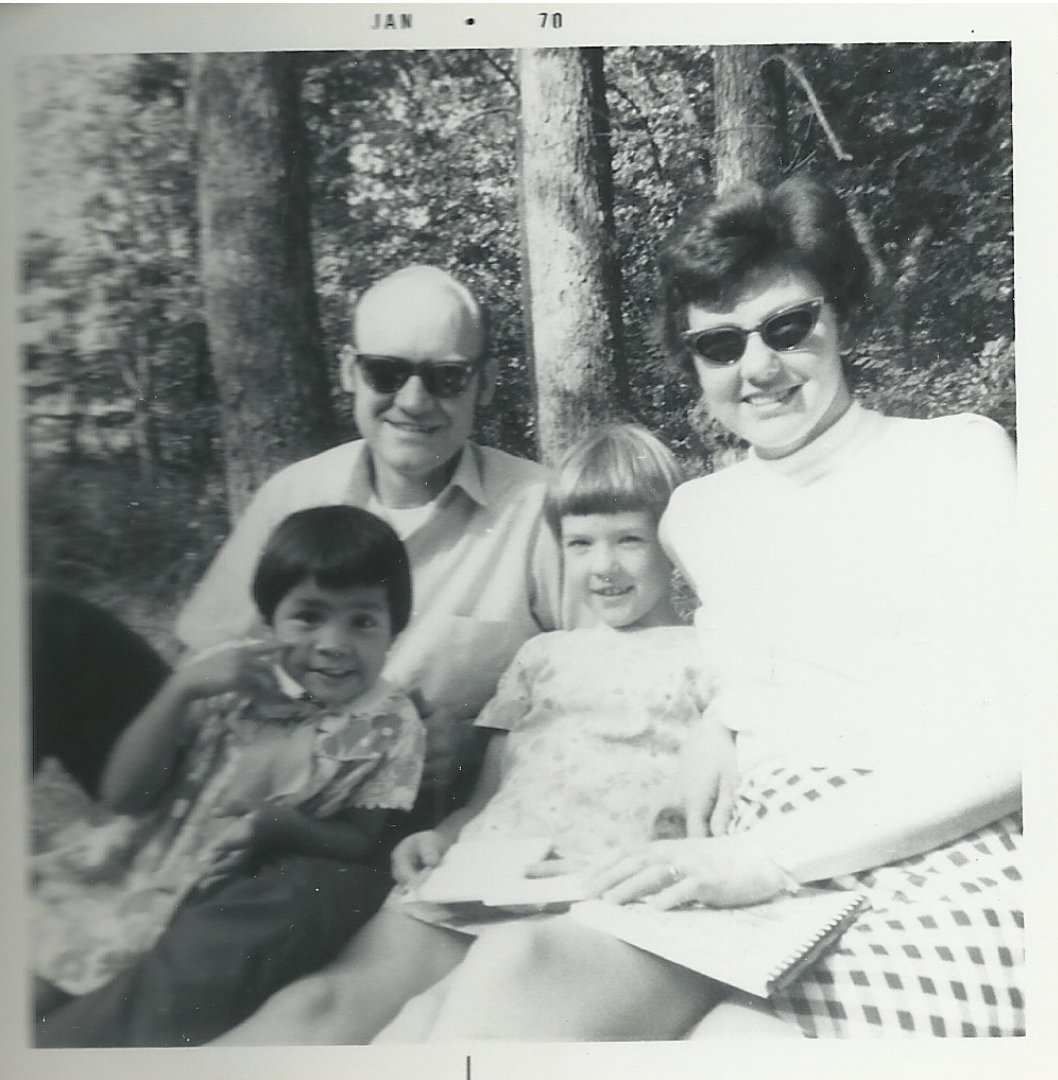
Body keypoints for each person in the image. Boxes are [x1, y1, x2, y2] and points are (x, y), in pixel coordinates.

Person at [342, 177, 1024, 1041]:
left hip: (933, 850)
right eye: (720, 344)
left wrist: (763, 857)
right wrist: (723, 728)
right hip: (737, 863)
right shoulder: (699, 513)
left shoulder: (954, 457)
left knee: (735, 1047)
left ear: (839, 314)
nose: (760, 367)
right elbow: (755, 662)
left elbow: (1017, 737)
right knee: (518, 976)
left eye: (788, 326)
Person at [35, 265, 567, 1047]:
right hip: (248, 747)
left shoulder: (539, 509)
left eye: (446, 377)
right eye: (388, 372)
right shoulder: (297, 491)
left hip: (378, 805)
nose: (415, 401)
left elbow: (597, 674)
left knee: (273, 901)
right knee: (41, 623)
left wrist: (487, 744)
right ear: (352, 371)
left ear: (480, 382)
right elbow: (210, 663)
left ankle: (74, 1047)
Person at [214, 423, 724, 1045]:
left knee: (429, 1024)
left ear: (670, 541)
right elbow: (488, 797)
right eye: (581, 542)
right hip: (486, 869)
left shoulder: (710, 652)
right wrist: (440, 836)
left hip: (591, 889)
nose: (603, 566)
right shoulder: (542, 656)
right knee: (327, 1003)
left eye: (630, 540)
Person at [34, 506, 424, 1035]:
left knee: (104, 1005)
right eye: (308, 617)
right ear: (271, 619)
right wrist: (182, 690)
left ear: (393, 630)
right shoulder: (233, 673)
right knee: (32, 980)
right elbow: (123, 796)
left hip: (220, 893)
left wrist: (276, 825)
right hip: (125, 863)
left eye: (362, 621)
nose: (334, 643)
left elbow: (361, 839)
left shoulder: (390, 723)